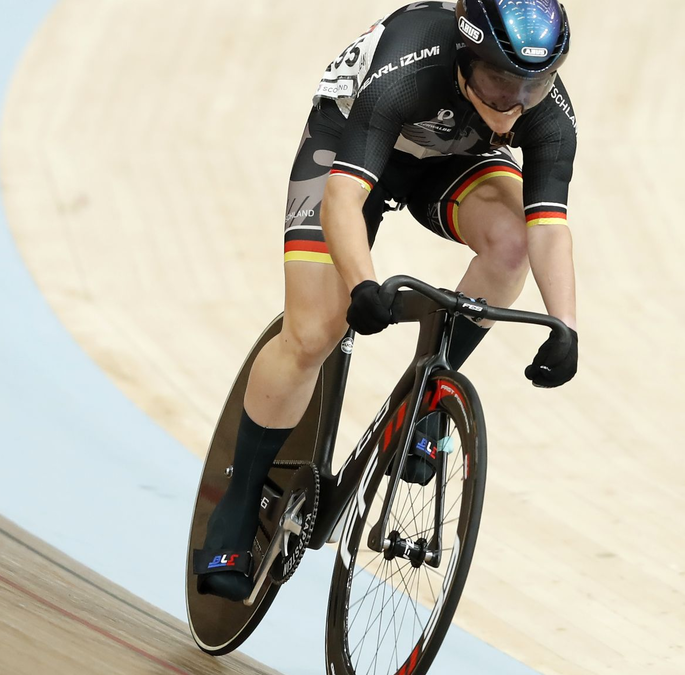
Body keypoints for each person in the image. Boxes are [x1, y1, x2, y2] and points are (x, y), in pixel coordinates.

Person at [194, 0, 580, 601]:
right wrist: (362, 286)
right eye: (500, 81)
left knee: (510, 244)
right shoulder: (409, 67)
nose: (515, 102)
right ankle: (238, 503)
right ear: (464, 54)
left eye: (534, 83)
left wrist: (566, 324)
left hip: (452, 154)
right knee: (315, 331)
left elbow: (548, 227)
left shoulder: (546, 114)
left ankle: (425, 402)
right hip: (348, 140)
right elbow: (345, 199)